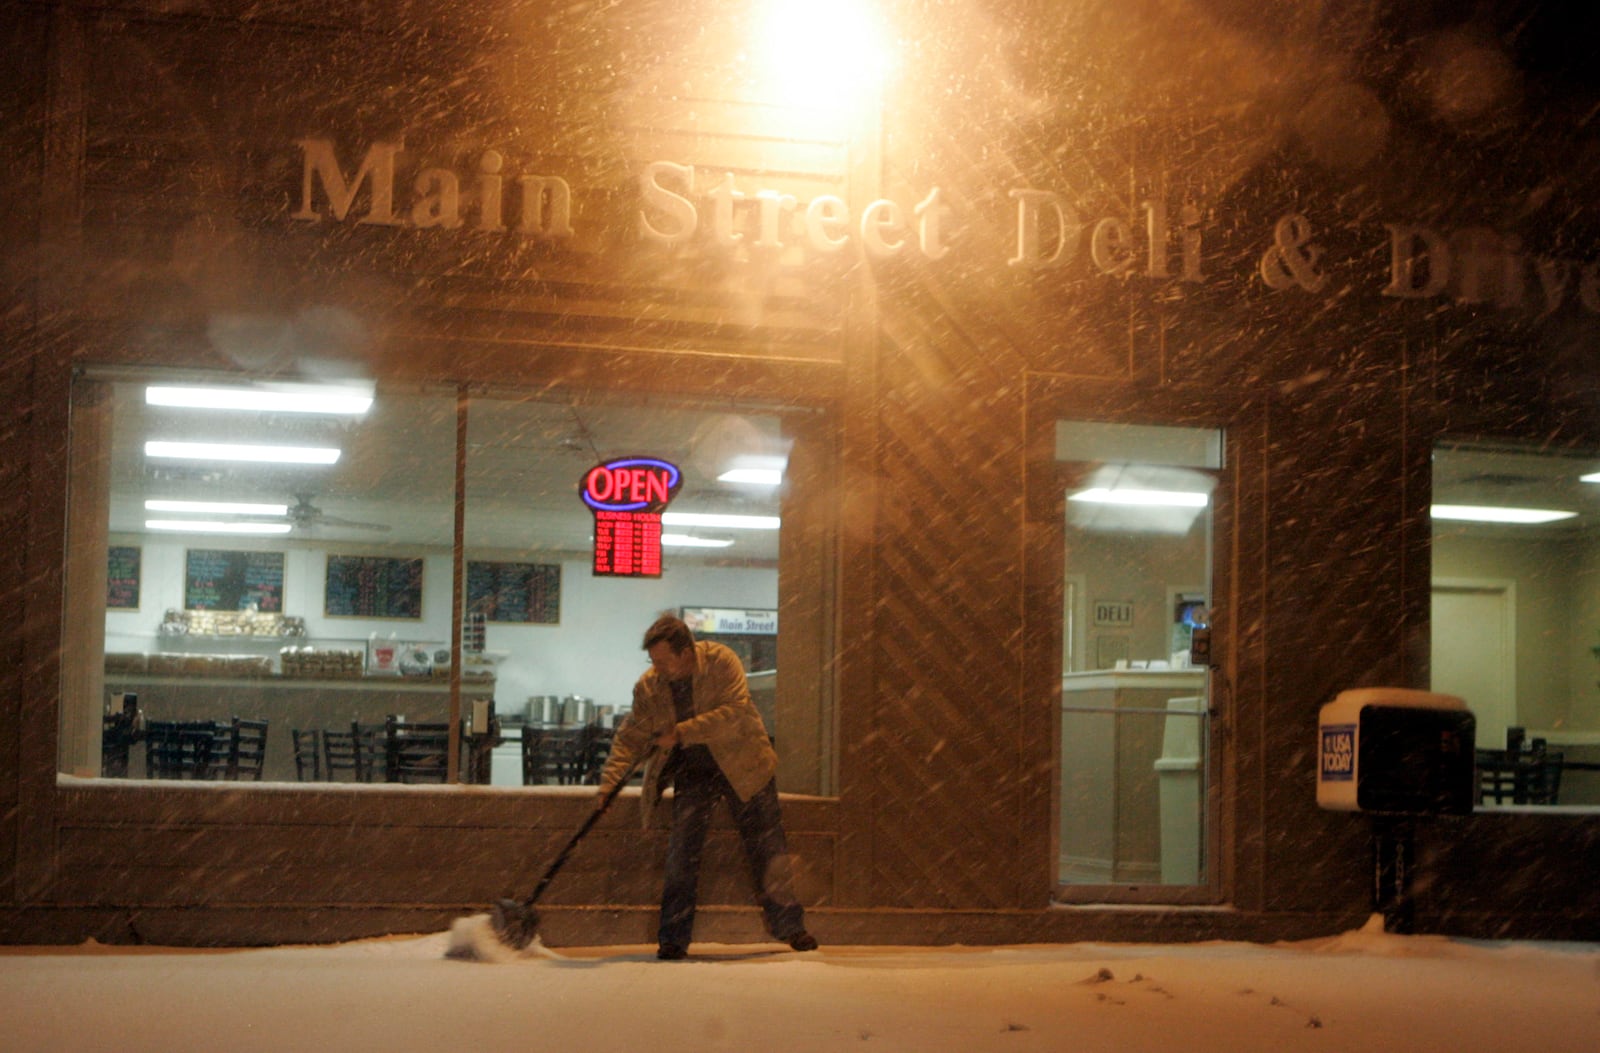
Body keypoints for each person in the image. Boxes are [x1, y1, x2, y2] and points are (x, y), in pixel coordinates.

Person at [596, 614, 818, 960]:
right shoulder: (650, 686)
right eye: (652, 661)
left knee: (769, 850)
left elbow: (734, 711)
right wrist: (607, 787)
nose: (657, 668)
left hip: (746, 767)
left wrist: (682, 732)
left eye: (663, 660)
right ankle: (673, 937)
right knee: (681, 854)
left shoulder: (721, 662)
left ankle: (790, 926)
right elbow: (630, 738)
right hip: (695, 773)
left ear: (686, 652)